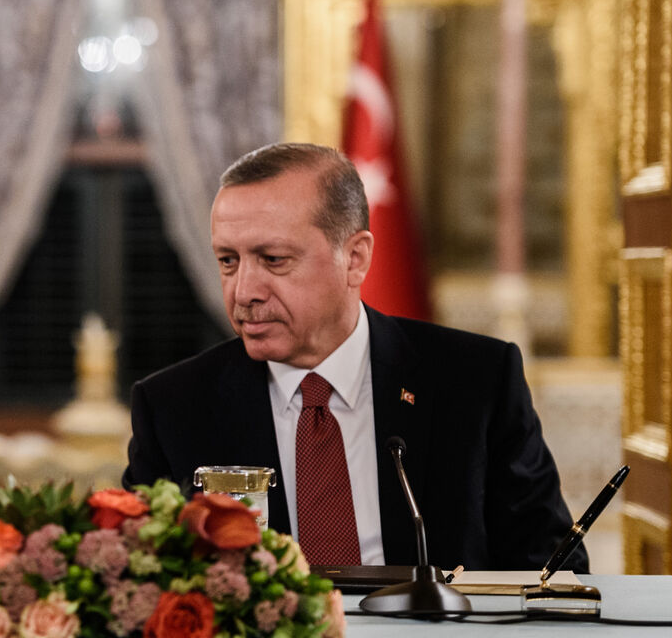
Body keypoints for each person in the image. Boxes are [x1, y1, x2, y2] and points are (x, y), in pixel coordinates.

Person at [123, 143, 586, 572]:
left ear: (356, 258)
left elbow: (552, 568)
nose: (243, 291)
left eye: (274, 259)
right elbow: (136, 582)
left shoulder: (475, 382)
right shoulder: (173, 407)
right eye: (228, 261)